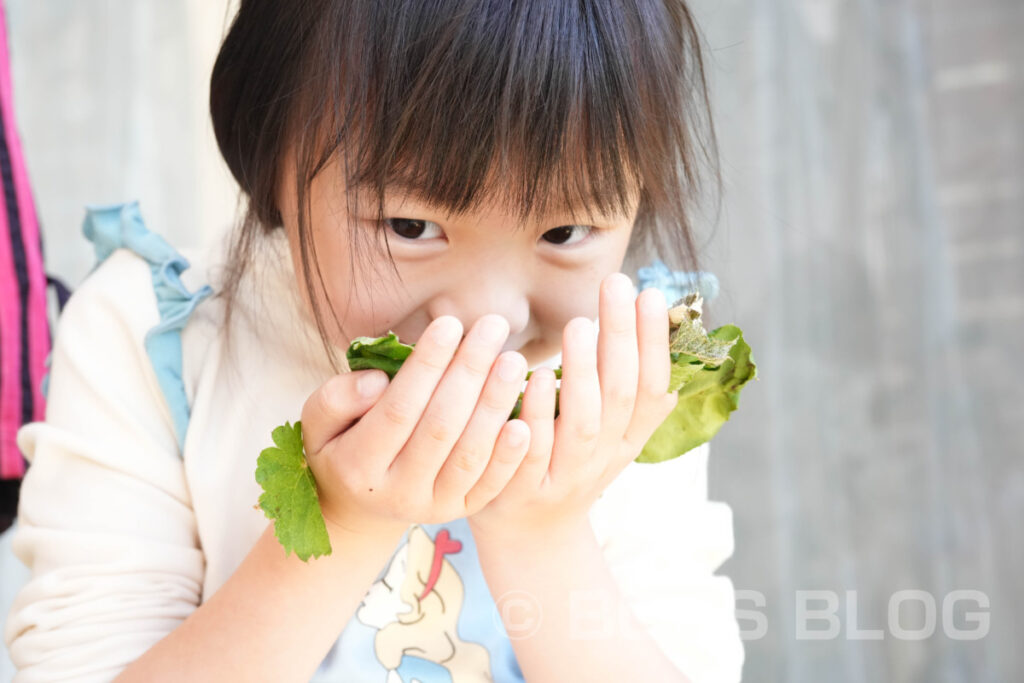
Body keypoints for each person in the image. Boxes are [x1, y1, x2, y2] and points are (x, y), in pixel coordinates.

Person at [3, 1, 745, 680]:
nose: (489, 322)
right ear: (269, 157)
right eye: (410, 227)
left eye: (564, 232)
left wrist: (542, 535)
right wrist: (337, 523)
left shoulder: (626, 379)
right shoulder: (151, 338)